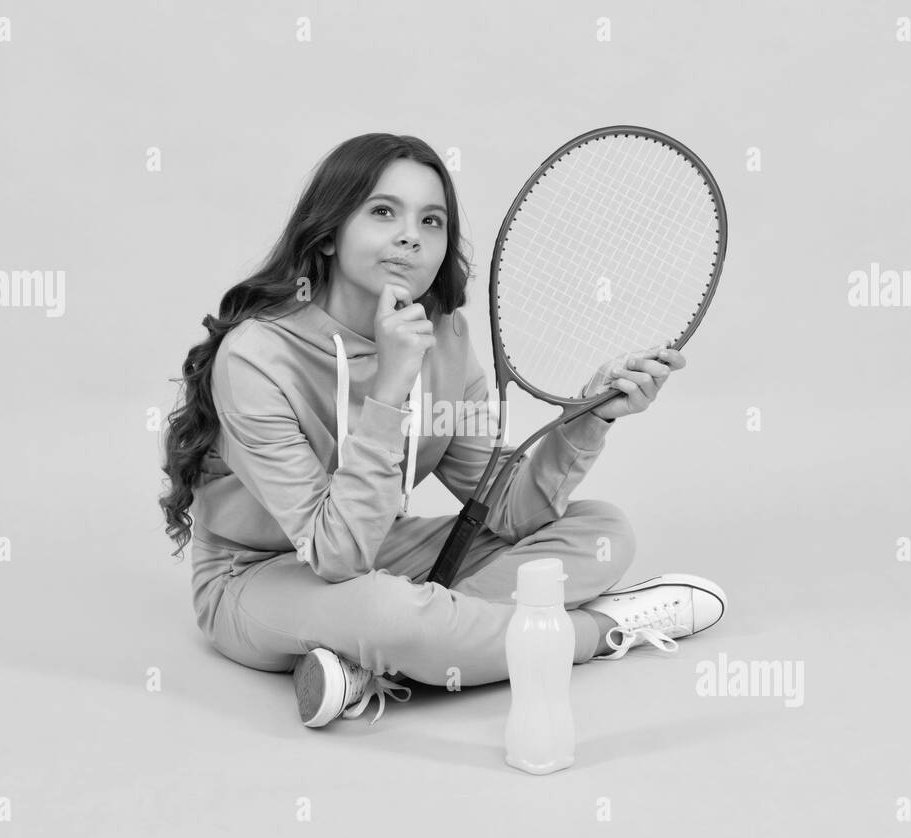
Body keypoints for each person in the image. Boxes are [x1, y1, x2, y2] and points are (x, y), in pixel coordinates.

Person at [159, 132, 727, 728]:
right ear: (327, 234)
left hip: (385, 551)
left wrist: (591, 416)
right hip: (257, 577)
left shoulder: (445, 335)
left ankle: (381, 660)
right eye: (383, 212)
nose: (411, 235)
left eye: (432, 221)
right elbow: (334, 556)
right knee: (387, 614)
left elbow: (504, 510)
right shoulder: (256, 357)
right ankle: (601, 628)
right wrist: (391, 385)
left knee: (602, 529)